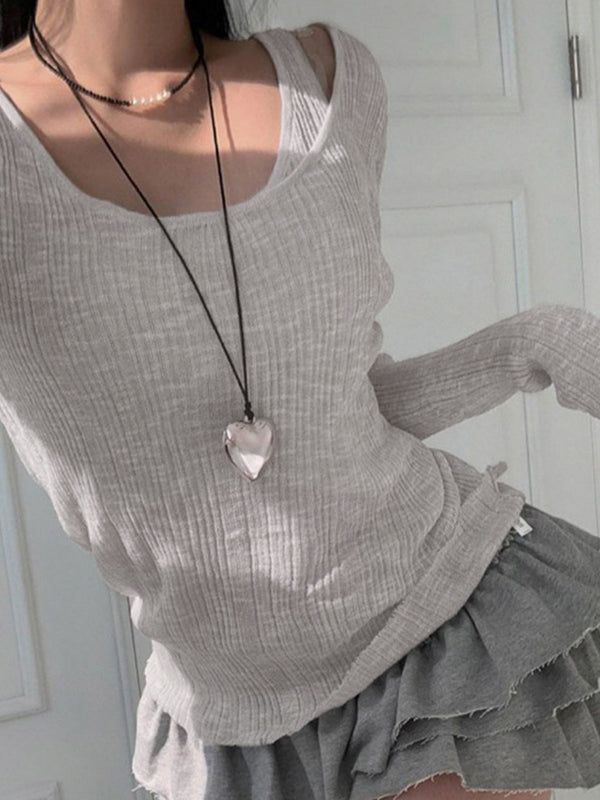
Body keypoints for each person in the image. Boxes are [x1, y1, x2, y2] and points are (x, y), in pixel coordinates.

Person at [0, 1, 599, 799]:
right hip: (226, 726)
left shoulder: (328, 84)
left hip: (437, 640)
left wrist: (530, 344)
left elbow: (342, 412)